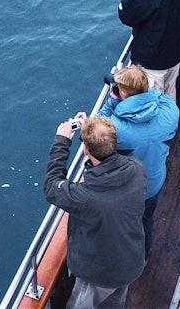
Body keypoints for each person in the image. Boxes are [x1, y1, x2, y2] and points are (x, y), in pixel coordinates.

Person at [44, 115, 147, 309]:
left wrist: (62, 141)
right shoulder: (137, 169)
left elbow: (51, 187)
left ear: (85, 150)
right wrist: (93, 130)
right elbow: (107, 153)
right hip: (130, 261)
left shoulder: (86, 197)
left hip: (99, 274)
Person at [98, 64, 179, 258]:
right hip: (154, 181)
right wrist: (138, 89)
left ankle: (125, 258)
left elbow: (97, 131)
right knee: (146, 218)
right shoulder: (171, 111)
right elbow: (157, 97)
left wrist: (112, 101)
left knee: (124, 225)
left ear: (123, 93)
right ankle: (145, 252)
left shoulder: (117, 128)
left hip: (127, 189)